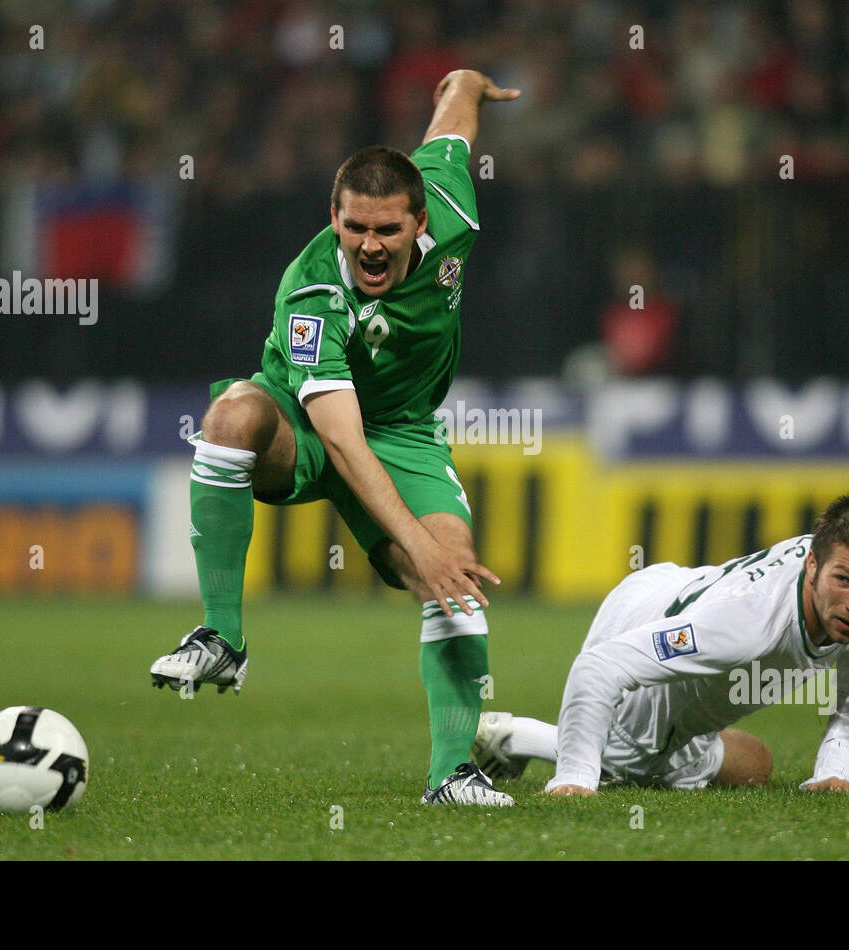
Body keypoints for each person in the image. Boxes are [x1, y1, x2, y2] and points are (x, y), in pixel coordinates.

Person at [150, 69, 521, 807]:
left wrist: (466, 84)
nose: (370, 246)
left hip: (404, 433)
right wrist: (415, 542)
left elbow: (449, 127)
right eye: (354, 228)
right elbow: (344, 442)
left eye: (387, 229)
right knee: (230, 418)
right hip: (308, 425)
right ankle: (222, 638)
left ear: (421, 222)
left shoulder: (452, 206)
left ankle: (452, 777)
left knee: (455, 583)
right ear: (335, 216)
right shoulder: (314, 289)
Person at [472, 493, 849, 796]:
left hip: (683, 589)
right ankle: (510, 737)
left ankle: (661, 750)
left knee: (755, 765)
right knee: (628, 768)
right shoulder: (748, 624)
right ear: (812, 564)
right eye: (844, 582)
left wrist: (836, 773)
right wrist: (574, 779)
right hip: (651, 617)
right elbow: (598, 668)